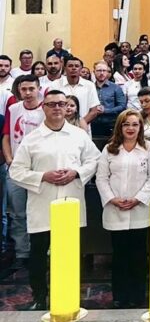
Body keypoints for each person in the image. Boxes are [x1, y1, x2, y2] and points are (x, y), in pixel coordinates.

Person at [9, 90, 100, 310]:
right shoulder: (32, 139)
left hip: (70, 202)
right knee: (39, 254)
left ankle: (68, 296)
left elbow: (95, 159)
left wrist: (76, 173)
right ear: (44, 108)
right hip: (42, 204)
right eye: (52, 104)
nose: (57, 108)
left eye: (62, 103)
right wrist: (42, 176)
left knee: (68, 254)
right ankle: (39, 297)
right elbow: (16, 171)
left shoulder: (78, 135)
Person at [96, 110, 150, 308]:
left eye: (135, 124)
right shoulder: (109, 149)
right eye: (126, 124)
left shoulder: (148, 148)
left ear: (140, 127)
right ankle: (120, 296)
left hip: (139, 209)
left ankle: (138, 295)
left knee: (139, 255)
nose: (130, 128)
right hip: (116, 209)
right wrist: (112, 199)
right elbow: (101, 178)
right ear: (120, 127)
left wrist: (138, 198)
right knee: (120, 255)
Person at [2, 75, 45, 271]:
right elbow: (6, 136)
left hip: (40, 171)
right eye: (23, 89)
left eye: (31, 89)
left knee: (41, 213)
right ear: (18, 90)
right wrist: (10, 159)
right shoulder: (13, 109)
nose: (27, 93)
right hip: (17, 169)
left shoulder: (46, 109)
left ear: (38, 89)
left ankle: (42, 252)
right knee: (18, 213)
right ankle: (22, 252)